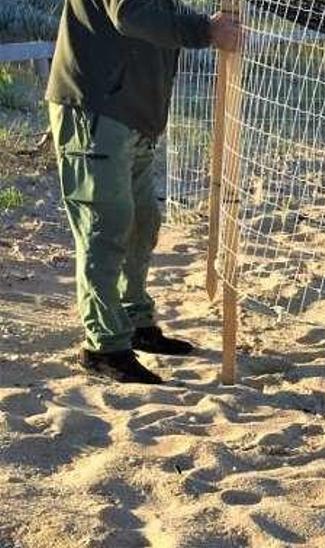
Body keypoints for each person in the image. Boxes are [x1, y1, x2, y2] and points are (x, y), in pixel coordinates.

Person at [45, 0, 240, 384]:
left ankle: (134, 321)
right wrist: (206, 30)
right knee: (105, 228)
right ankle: (104, 346)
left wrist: (207, 27)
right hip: (97, 108)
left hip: (132, 115)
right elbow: (130, 14)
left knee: (142, 221)